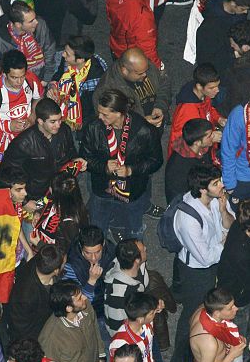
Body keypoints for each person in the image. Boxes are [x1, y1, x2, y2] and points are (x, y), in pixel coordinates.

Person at [170, 165, 235, 362]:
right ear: (202, 189)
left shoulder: (217, 200)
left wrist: (224, 211)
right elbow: (205, 257)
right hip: (195, 273)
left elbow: (230, 223)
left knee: (210, 311)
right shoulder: (188, 218)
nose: (222, 185)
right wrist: (224, 243)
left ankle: (210, 351)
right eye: (216, 183)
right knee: (192, 315)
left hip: (215, 263)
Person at [82, 88, 162, 241]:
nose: (99, 117)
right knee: (98, 228)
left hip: (132, 190)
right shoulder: (93, 127)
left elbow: (156, 161)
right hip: (103, 188)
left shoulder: (144, 130)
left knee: (134, 229)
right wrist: (104, 167)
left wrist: (131, 170)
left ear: (119, 113)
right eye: (99, 112)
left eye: (105, 114)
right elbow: (85, 157)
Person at [0, 98, 81, 204]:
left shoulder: (64, 130)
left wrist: (77, 160)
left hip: (60, 191)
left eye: (60, 120)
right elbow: (5, 177)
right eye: (53, 122)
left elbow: (71, 152)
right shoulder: (23, 142)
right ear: (40, 121)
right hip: (35, 198)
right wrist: (25, 202)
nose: (58, 125)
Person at [0, 50, 43, 176]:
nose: (19, 82)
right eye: (14, 77)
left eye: (22, 76)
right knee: (6, 175)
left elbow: (38, 98)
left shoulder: (31, 79)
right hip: (3, 141)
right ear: (4, 74)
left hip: (27, 135)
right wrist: (8, 126)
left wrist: (32, 118)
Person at [217, 198, 250, 342]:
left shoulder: (241, 226)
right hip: (239, 299)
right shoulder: (240, 252)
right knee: (239, 334)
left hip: (246, 294)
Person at [92, 48, 171, 131]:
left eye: (146, 70)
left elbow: (164, 85)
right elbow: (109, 123)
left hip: (155, 123)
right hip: (135, 133)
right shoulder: (106, 89)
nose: (145, 74)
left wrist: (160, 106)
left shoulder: (143, 65)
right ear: (125, 71)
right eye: (140, 73)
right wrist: (141, 123)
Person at [100, 0, 162, 68]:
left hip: (115, 47)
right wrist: (158, 67)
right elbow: (148, 48)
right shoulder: (143, 14)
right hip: (131, 58)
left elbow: (110, 17)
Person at [0, 1, 57, 82]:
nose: (36, 22)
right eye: (31, 21)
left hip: (41, 78)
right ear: (18, 24)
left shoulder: (40, 24)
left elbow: (49, 50)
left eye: (35, 18)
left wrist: (46, 79)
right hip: (15, 83)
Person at [6, 244, 65, 342]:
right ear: (56, 271)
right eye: (64, 263)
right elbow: (21, 329)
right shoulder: (27, 295)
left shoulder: (40, 261)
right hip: (32, 335)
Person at [194, 0, 250, 75]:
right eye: (242, 9)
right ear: (233, 4)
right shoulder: (213, 24)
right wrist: (233, 55)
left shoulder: (231, 1)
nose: (245, 12)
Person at [52, 36, 108, 132]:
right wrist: (53, 85)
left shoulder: (96, 80)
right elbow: (59, 74)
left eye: (67, 54)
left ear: (80, 60)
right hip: (64, 108)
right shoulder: (68, 60)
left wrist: (81, 124)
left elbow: (93, 109)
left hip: (82, 119)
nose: (63, 55)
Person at [109, 292, 166, 362]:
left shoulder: (146, 323)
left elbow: (153, 347)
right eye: (152, 313)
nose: (155, 313)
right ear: (140, 319)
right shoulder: (120, 343)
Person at [168, 63, 225, 151]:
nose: (217, 90)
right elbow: (180, 144)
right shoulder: (188, 112)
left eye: (217, 86)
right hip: (197, 153)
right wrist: (211, 138)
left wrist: (218, 118)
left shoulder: (203, 94)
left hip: (207, 139)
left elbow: (208, 110)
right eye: (212, 88)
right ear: (199, 86)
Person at [164, 119, 218, 204]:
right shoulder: (178, 167)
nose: (214, 136)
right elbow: (177, 198)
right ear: (197, 143)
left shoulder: (202, 147)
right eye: (210, 136)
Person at [103, 239, 149, 334]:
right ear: (136, 261)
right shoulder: (118, 296)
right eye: (143, 250)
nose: (145, 248)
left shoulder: (129, 262)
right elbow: (116, 330)